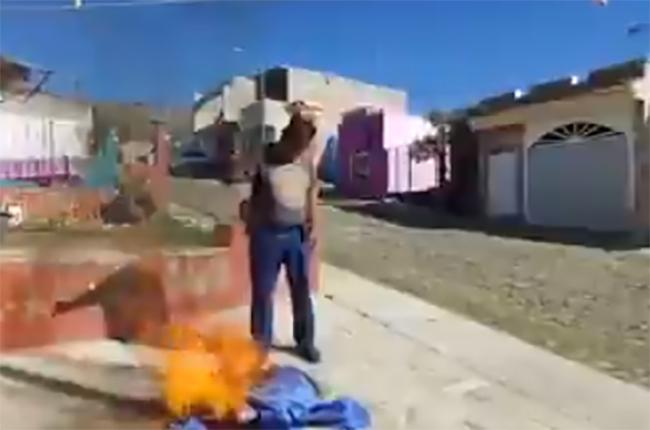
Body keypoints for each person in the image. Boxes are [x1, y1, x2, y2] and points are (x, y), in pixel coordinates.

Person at [241, 110, 322, 363]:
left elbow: (312, 190)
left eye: (304, 145)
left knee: (301, 290)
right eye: (297, 144)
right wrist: (250, 220)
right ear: (287, 138)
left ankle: (305, 342)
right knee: (264, 291)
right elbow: (250, 193)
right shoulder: (267, 156)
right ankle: (260, 344)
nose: (300, 150)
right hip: (267, 235)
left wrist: (313, 224)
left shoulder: (306, 160)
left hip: (296, 235)